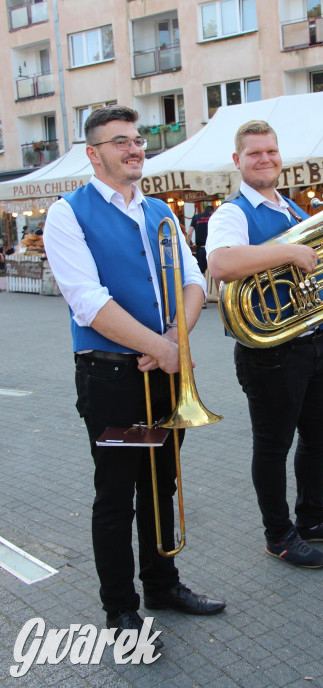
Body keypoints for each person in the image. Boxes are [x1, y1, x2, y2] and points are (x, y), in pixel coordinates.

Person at [44, 106, 225, 652]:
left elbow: (195, 282)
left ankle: (163, 585)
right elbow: (88, 302)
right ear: (93, 154)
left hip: (164, 373)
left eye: (138, 139)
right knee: (117, 492)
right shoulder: (67, 214)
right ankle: (120, 607)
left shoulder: (161, 213)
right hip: (113, 379)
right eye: (120, 141)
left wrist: (175, 342)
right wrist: (163, 350)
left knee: (161, 484)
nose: (135, 148)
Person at [206, 120, 323, 569]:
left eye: (271, 152)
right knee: (273, 446)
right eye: (254, 153)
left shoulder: (294, 212)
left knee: (319, 435)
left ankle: (312, 518)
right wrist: (290, 252)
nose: (265, 159)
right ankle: (278, 535)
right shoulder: (232, 213)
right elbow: (221, 263)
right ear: (238, 161)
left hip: (314, 343)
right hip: (270, 353)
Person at [187, 204, 214, 274]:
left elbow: (189, 233)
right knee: (213, 272)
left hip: (200, 249)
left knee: (201, 272)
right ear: (212, 212)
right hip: (212, 249)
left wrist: (187, 246)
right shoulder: (213, 217)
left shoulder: (196, 217)